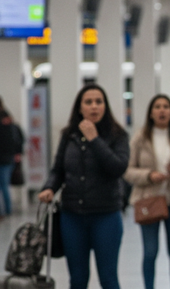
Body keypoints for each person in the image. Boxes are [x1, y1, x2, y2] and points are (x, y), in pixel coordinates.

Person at [38, 84, 130, 289]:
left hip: (106, 215)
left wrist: (94, 139)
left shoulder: (117, 136)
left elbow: (117, 168)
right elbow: (58, 170)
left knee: (108, 278)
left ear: (105, 106)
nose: (94, 107)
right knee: (78, 279)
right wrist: (49, 187)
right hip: (72, 216)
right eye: (88, 102)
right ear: (80, 108)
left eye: (99, 102)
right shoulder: (68, 135)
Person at [124, 94, 170, 289]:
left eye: (166, 106)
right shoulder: (140, 138)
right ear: (151, 112)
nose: (162, 110)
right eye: (157, 106)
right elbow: (128, 170)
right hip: (148, 201)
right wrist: (149, 175)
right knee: (150, 252)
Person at [0, 109, 24, 218]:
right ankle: (6, 210)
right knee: (4, 186)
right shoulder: (13, 128)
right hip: (9, 160)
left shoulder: (10, 129)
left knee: (4, 186)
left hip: (6, 160)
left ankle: (6, 210)